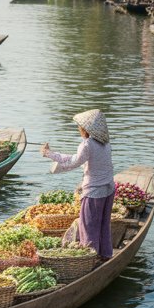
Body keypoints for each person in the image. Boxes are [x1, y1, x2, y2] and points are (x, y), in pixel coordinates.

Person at [40, 109, 115, 260]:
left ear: (86, 129)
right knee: (103, 225)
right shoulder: (105, 144)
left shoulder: (87, 145)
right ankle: (105, 255)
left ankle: (88, 260)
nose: (78, 129)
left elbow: (73, 162)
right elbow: (76, 158)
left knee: (88, 228)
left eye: (79, 127)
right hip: (109, 189)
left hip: (94, 193)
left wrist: (48, 154)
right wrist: (51, 153)